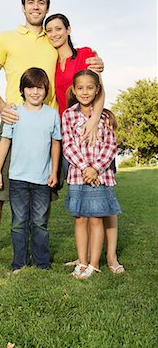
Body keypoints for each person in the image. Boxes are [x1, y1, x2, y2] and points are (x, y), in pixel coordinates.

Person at [0, 0, 103, 270]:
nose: (36, 7)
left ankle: (77, 256)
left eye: (41, 3)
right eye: (31, 2)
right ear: (23, 7)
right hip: (14, 124)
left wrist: (97, 61)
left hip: (50, 127)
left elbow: (78, 64)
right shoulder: (5, 38)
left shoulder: (52, 41)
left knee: (49, 191)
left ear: (47, 7)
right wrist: (4, 109)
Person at [45, 13, 124, 273]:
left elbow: (99, 85)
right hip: (73, 137)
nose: (54, 34)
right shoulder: (50, 62)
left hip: (95, 132)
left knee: (103, 207)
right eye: (50, 30)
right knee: (82, 211)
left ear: (69, 30)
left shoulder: (86, 54)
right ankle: (84, 258)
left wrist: (95, 120)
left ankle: (109, 258)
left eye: (59, 28)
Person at [0, 68, 61, 272]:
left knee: (39, 222)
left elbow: (56, 143)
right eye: (30, 87)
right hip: (18, 179)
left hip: (42, 179)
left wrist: (54, 171)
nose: (35, 92)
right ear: (22, 90)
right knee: (18, 222)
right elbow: (5, 141)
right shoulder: (14, 113)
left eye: (39, 88)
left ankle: (42, 263)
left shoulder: (52, 114)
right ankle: (19, 263)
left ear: (46, 90)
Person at [62, 70, 122, 279]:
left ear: (97, 90)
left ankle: (94, 264)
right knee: (80, 219)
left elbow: (110, 147)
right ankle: (82, 262)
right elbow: (68, 146)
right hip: (78, 175)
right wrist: (84, 168)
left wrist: (95, 168)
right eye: (80, 88)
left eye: (90, 88)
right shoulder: (68, 115)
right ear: (74, 90)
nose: (85, 92)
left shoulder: (104, 116)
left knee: (96, 219)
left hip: (100, 176)